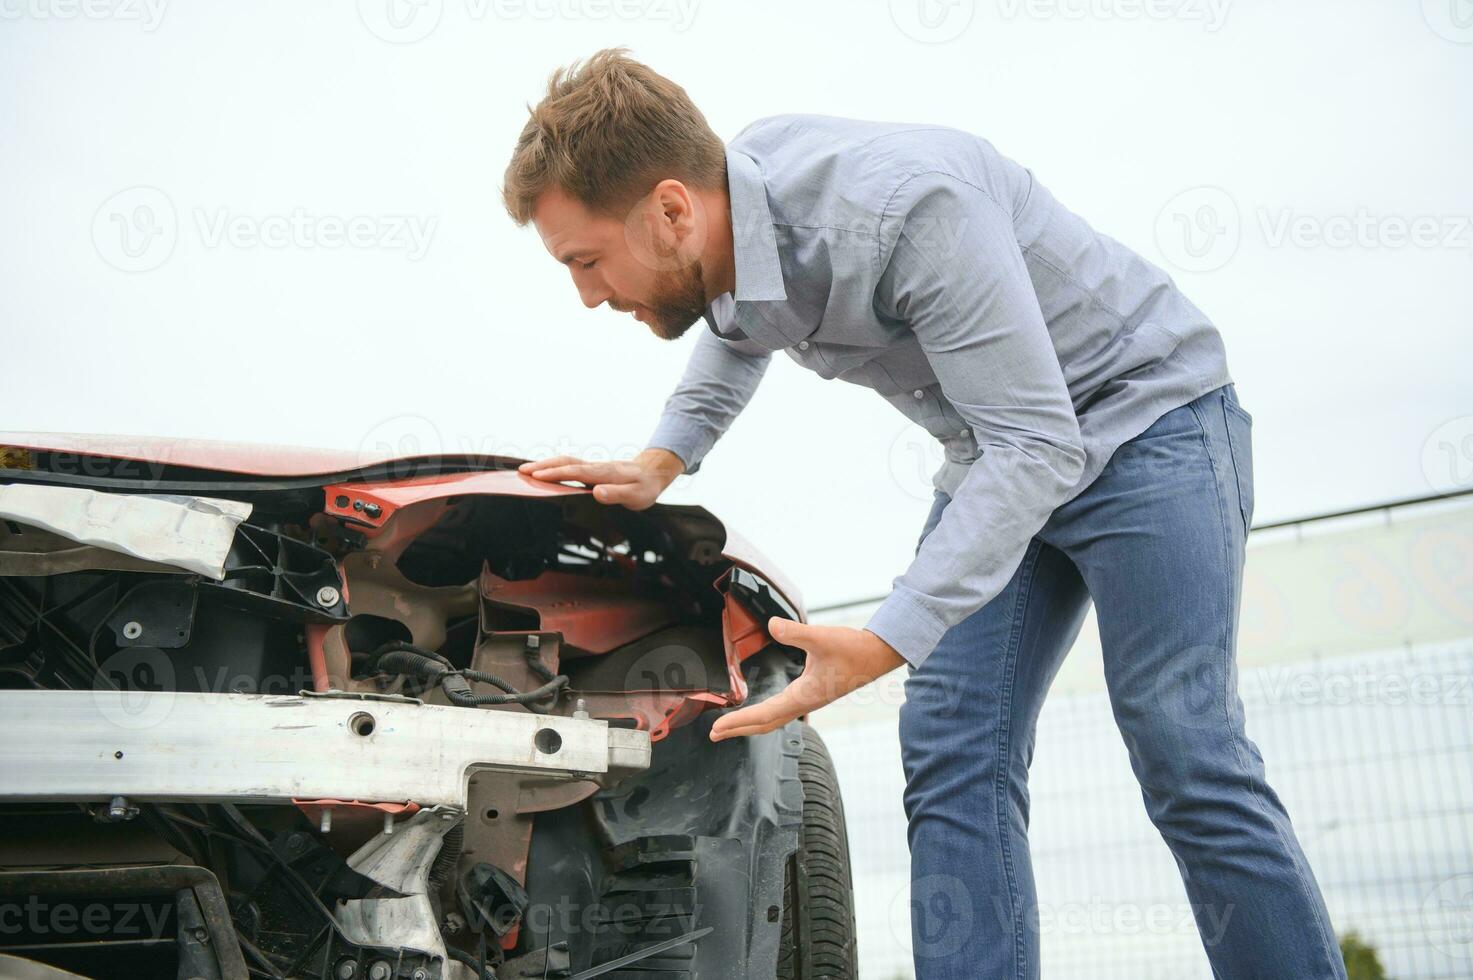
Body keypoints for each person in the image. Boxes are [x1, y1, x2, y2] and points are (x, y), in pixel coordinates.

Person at [502, 48, 1346, 980]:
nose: (586, 294)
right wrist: (664, 457)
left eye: (586, 260)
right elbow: (737, 326)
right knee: (951, 746)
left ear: (669, 211)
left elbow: (1040, 446)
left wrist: (889, 636)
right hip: (999, 451)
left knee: (1182, 746)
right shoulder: (727, 213)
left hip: (1149, 422)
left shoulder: (906, 213)